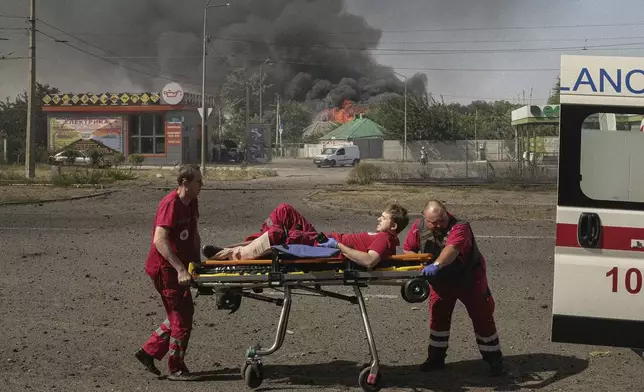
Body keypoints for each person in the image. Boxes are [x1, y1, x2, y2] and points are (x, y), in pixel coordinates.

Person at [402, 199, 503, 376]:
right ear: (425, 218)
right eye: (435, 222)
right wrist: (419, 266)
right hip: (441, 281)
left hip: (469, 278)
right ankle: (435, 358)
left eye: (442, 220)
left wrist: (436, 265)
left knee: (482, 316)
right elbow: (408, 250)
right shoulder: (418, 227)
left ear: (446, 214)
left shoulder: (460, 227)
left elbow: (452, 249)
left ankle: (493, 359)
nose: (440, 225)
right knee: (438, 315)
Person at [135, 164, 203, 381]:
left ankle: (147, 352)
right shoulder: (170, 204)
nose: (202, 185)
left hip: (182, 266)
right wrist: (180, 268)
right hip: (166, 269)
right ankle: (176, 368)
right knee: (182, 318)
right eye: (198, 182)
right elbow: (159, 240)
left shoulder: (191, 202)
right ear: (185, 184)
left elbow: (194, 234)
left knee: (178, 314)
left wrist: (197, 263)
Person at [203, 203, 409, 269]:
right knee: (284, 211)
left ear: (393, 225)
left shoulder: (385, 238)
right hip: (322, 240)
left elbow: (370, 261)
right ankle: (251, 246)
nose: (378, 220)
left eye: (383, 218)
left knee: (277, 235)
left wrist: (338, 245)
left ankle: (229, 255)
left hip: (324, 248)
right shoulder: (383, 235)